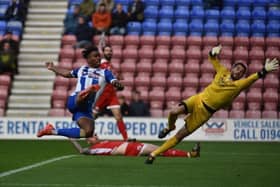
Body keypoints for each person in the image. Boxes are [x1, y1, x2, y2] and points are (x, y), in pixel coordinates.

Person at [145, 45, 279, 164]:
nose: (238, 72)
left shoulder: (239, 85)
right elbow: (212, 58)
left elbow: (253, 78)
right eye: (237, 68)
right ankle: (169, 127)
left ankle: (153, 154)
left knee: (180, 136)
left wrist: (265, 70)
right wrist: (213, 51)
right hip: (198, 99)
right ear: (232, 68)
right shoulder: (222, 71)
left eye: (241, 72)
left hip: (205, 112)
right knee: (174, 112)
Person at [37, 45, 124, 139]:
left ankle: (51, 131)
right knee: (88, 94)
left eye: (99, 56)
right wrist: (53, 68)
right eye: (95, 56)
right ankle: (87, 92)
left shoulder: (105, 72)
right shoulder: (82, 69)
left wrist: (117, 83)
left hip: (85, 108)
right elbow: (66, 74)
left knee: (88, 132)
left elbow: (113, 80)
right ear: (88, 58)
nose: (98, 58)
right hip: (75, 100)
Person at [93, 45, 130, 141]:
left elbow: (113, 78)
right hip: (102, 94)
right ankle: (88, 134)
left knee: (118, 116)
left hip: (111, 94)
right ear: (103, 53)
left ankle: (126, 138)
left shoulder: (111, 66)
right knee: (93, 116)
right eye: (107, 51)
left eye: (110, 51)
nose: (109, 52)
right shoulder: (101, 64)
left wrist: (118, 79)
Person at [69, 134, 200, 158]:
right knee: (160, 150)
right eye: (92, 137)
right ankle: (190, 154)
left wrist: (128, 140)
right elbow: (81, 151)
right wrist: (71, 139)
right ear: (89, 141)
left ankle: (189, 154)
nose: (95, 136)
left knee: (160, 150)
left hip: (131, 146)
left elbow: (116, 144)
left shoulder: (103, 142)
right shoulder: (94, 149)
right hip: (130, 150)